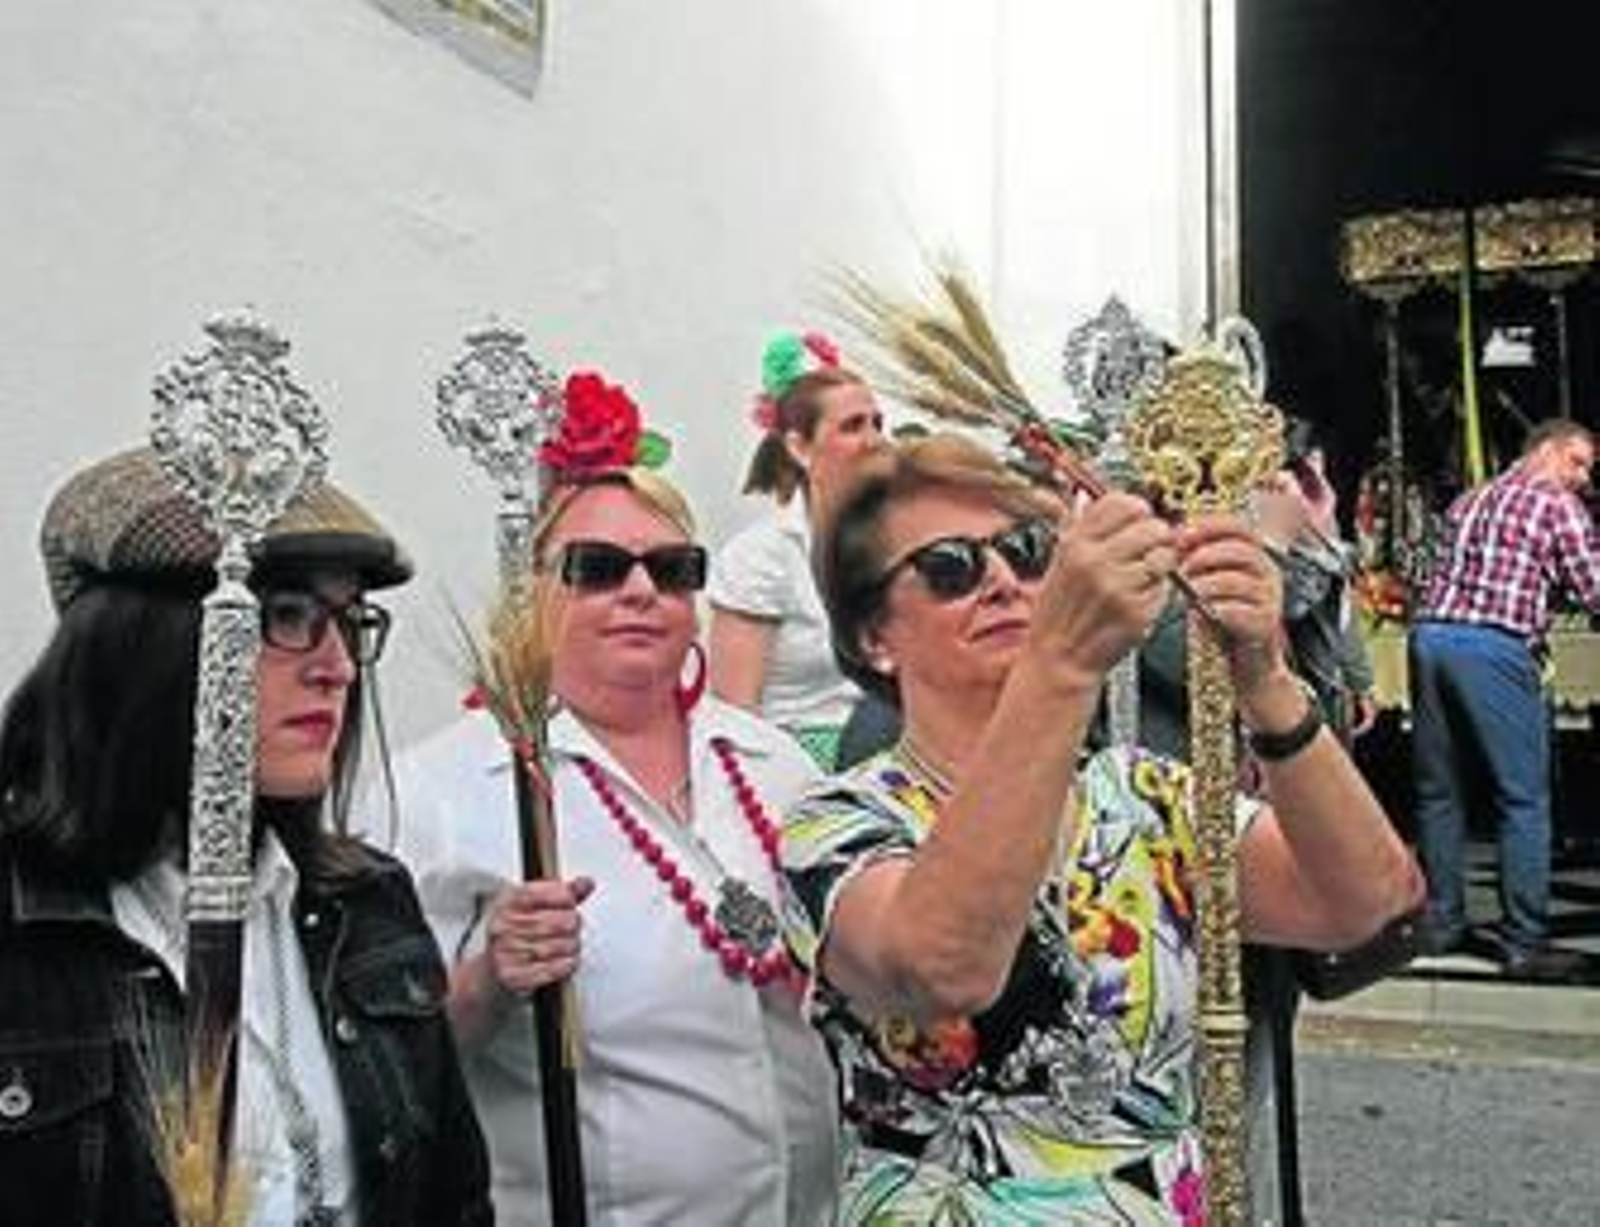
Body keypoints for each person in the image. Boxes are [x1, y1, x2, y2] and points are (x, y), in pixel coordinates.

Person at [781, 433, 1422, 1222]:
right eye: (951, 567)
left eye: (1026, 552)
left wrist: (1266, 682)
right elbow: (944, 968)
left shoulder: (1139, 795)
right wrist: (1060, 663)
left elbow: (1366, 900)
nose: (1003, 581)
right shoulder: (836, 822)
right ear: (872, 636)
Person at [369, 373, 839, 1225]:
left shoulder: (775, 764)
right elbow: (387, 1065)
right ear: (532, 589)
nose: (640, 590)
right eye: (598, 569)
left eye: (673, 569)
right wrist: (490, 980)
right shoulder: (443, 791)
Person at [0, 447, 492, 1226]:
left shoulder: (367, 903)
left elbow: (453, 1202)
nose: (338, 667)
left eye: (350, 621)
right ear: (138, 645)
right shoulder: (24, 934)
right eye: (286, 615)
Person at [1410, 417, 1600, 977]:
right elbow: (1593, 587)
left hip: (1430, 640)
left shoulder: (1469, 499)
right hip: (1493, 646)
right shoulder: (1556, 504)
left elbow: (1430, 571)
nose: (1583, 477)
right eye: (1577, 461)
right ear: (1544, 450)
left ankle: (1442, 922)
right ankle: (1524, 942)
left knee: (1438, 792)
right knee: (1523, 799)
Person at [708, 331, 885, 769]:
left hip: (887, 751)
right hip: (793, 768)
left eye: (877, 424)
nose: (874, 440)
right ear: (799, 447)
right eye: (853, 426)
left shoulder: (891, 542)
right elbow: (734, 719)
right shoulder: (760, 558)